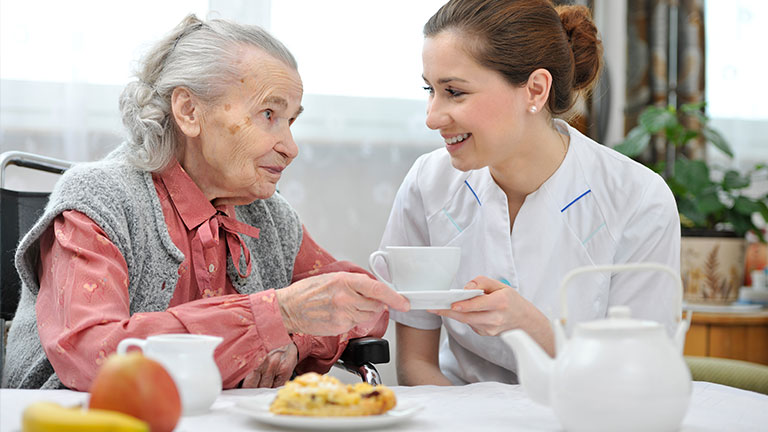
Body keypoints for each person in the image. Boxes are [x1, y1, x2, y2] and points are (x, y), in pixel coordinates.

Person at [3, 14, 409, 390]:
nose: (290, 147)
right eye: (269, 114)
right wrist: (275, 315)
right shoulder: (99, 200)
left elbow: (367, 303)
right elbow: (95, 353)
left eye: (292, 121)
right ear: (189, 110)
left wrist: (297, 337)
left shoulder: (268, 215)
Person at [378, 0, 681, 386]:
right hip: (456, 414)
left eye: (454, 91)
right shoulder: (428, 182)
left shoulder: (637, 200)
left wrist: (529, 324)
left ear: (535, 89)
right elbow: (416, 366)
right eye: (430, 89)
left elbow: (638, 377)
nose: (432, 116)